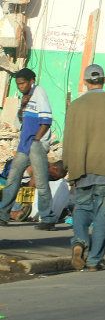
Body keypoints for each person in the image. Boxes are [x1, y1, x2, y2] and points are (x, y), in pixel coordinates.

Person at [62, 64, 105, 271]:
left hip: (80, 167)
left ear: (85, 82)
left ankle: (79, 242)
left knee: (82, 208)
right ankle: (94, 261)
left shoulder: (75, 106)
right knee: (102, 214)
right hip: (104, 168)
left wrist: (67, 164)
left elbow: (68, 139)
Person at [0, 68, 56, 229]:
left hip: (35, 145)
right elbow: (20, 123)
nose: (20, 86)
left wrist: (37, 140)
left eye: (22, 83)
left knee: (41, 182)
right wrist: (21, 107)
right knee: (12, 179)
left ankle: (48, 218)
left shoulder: (39, 92)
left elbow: (47, 119)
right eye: (18, 84)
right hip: (23, 146)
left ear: (31, 81)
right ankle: (3, 214)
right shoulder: (24, 98)